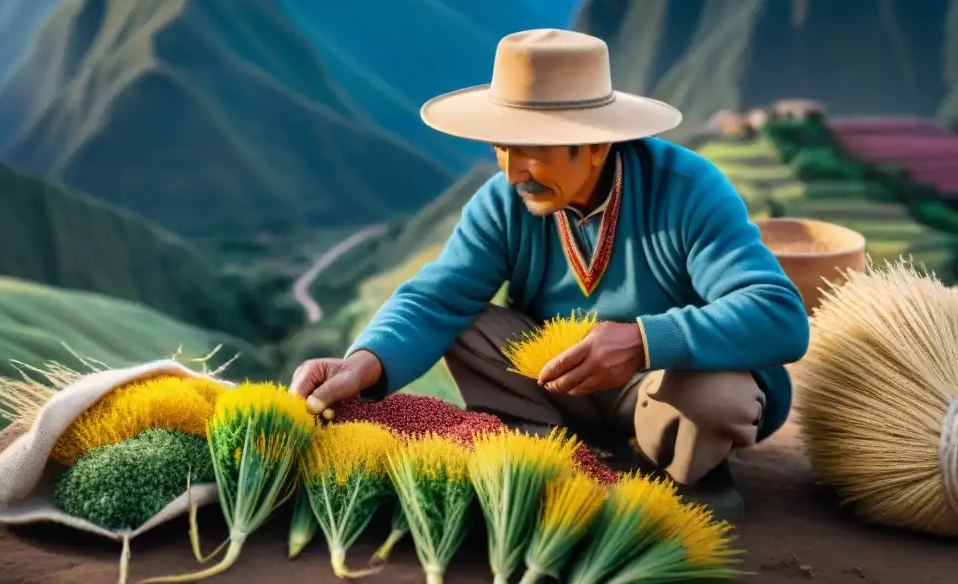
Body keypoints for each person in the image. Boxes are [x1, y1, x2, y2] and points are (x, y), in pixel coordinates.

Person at [291, 28, 809, 520]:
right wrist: (364, 363)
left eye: (533, 150)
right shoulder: (503, 201)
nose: (513, 171)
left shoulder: (688, 190)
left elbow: (778, 315)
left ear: (598, 144)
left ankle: (691, 471)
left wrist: (643, 341)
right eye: (502, 147)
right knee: (463, 321)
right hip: (556, 384)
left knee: (716, 396)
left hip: (661, 388)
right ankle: (543, 444)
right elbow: (436, 298)